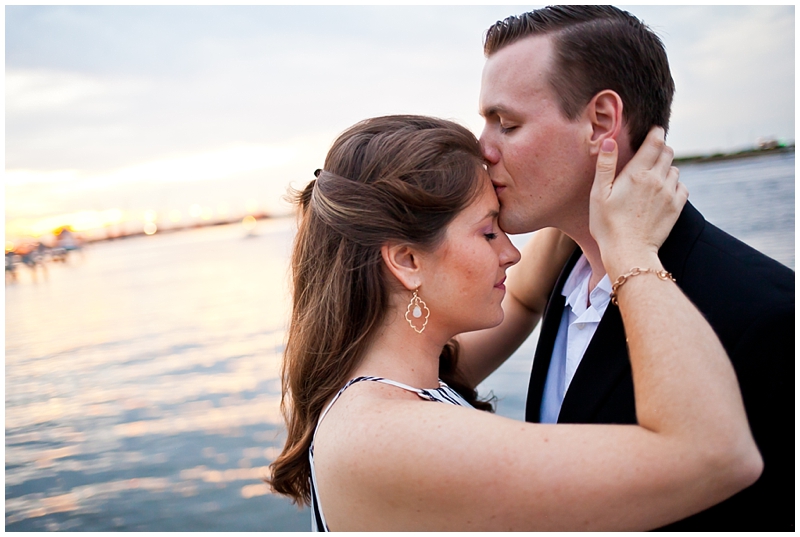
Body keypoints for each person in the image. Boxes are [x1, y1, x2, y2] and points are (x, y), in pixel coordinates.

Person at [268, 114, 762, 531]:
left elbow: (525, 299)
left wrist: (579, 186)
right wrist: (632, 249)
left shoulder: (396, 379)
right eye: (488, 233)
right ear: (407, 261)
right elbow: (715, 455)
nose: (511, 252)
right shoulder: (381, 437)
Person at [467, 5, 794, 530]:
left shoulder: (771, 314)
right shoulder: (564, 273)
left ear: (601, 123)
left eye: (506, 123)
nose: (482, 149)